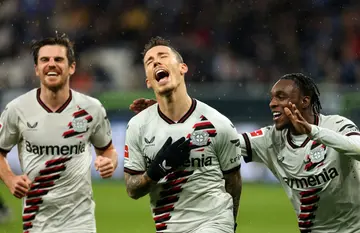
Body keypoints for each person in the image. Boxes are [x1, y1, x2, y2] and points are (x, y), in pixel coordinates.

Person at [131, 72, 360, 233]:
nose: (272, 103)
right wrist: (168, 113)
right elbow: (217, 139)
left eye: (281, 97)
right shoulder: (271, 140)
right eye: (272, 97)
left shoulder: (336, 125)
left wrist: (311, 131)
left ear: (305, 101)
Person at [0, 33, 118, 233]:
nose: (51, 64)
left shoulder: (92, 108)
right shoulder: (17, 109)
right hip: (36, 222)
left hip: (81, 222)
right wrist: (10, 179)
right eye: (45, 60)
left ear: (71, 67)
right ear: (37, 69)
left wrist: (109, 162)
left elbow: (108, 150)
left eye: (59, 59)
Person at [124, 36, 242, 233]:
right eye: (149, 61)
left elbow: (233, 180)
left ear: (182, 68)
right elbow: (132, 189)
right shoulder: (138, 126)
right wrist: (156, 170)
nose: (156, 62)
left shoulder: (217, 123)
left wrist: (230, 223)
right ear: (148, 81)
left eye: (163, 56)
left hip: (214, 223)